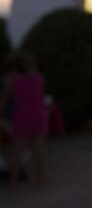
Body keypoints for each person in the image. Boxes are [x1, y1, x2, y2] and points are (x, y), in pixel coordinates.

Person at [0, 52, 48, 190]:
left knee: (18, 151)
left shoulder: (13, 82)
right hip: (39, 116)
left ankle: (12, 183)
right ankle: (40, 178)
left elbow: (3, 102)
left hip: (22, 118)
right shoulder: (39, 78)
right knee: (39, 149)